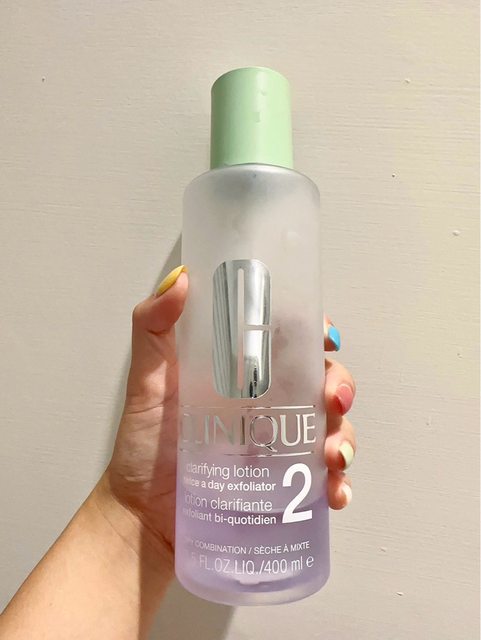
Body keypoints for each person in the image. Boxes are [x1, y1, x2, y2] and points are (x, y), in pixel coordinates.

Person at [0, 266, 357, 639]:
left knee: (296, 389)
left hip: (281, 531)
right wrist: (136, 515)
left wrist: (138, 516)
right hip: (184, 507)